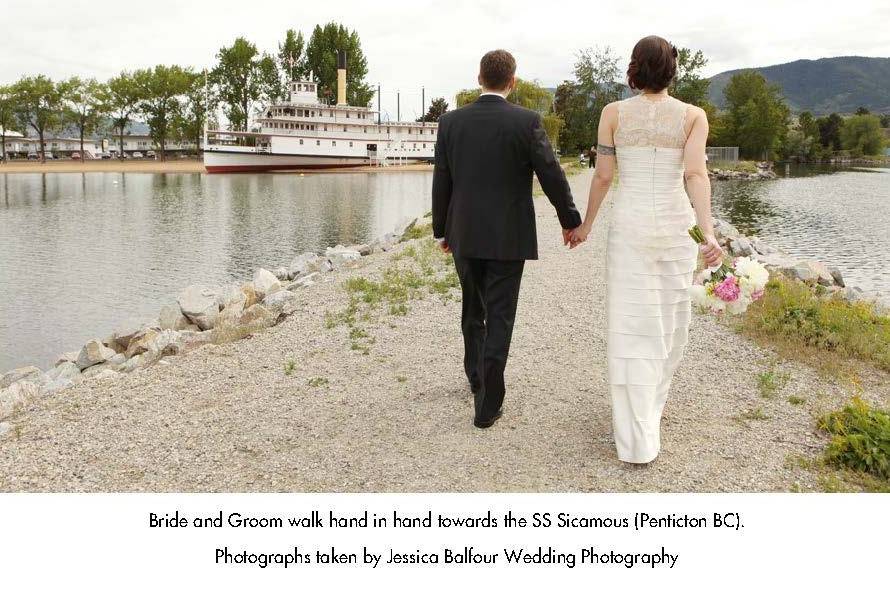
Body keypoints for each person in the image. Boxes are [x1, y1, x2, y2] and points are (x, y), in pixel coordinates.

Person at [570, 36, 723, 463]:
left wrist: (586, 225)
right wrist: (707, 233)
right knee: (668, 321)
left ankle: (636, 428)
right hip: (677, 230)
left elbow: (602, 177)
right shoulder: (693, 117)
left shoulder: (613, 114)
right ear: (673, 70)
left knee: (631, 319)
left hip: (630, 228)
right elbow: (696, 175)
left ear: (634, 68)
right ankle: (648, 410)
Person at [432, 49, 582, 429]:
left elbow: (442, 179)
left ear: (478, 77)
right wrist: (570, 219)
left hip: (463, 231)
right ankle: (488, 404)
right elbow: (550, 173)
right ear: (512, 82)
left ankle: (475, 377)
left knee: (472, 307)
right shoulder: (526, 121)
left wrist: (441, 230)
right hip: (508, 236)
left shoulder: (451, 122)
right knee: (499, 314)